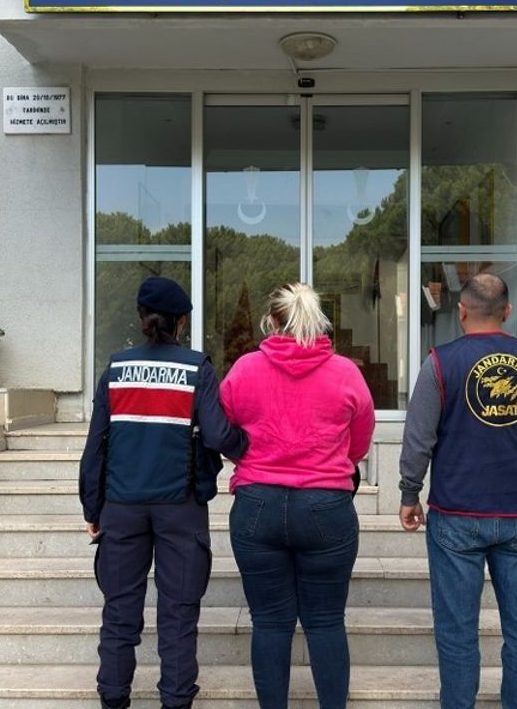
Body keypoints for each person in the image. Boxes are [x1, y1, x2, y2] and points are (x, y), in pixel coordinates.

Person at [398, 273, 517, 709]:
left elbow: (419, 437)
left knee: (457, 630)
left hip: (456, 514)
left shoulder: (440, 363)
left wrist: (409, 492)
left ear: (461, 312)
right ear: (507, 311)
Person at [79, 276, 248, 709]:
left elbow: (96, 444)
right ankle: (176, 700)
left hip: (121, 507)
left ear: (140, 318)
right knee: (178, 614)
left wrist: (92, 506)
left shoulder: (116, 369)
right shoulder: (196, 368)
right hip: (181, 509)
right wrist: (247, 444)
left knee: (120, 612)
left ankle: (113, 698)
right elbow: (218, 435)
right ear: (182, 322)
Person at [220, 282, 376, 709]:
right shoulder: (346, 372)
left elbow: (223, 430)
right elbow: (359, 442)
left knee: (270, 623)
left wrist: (250, 456)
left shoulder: (245, 370)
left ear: (271, 322)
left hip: (257, 505)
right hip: (326, 506)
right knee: (326, 622)